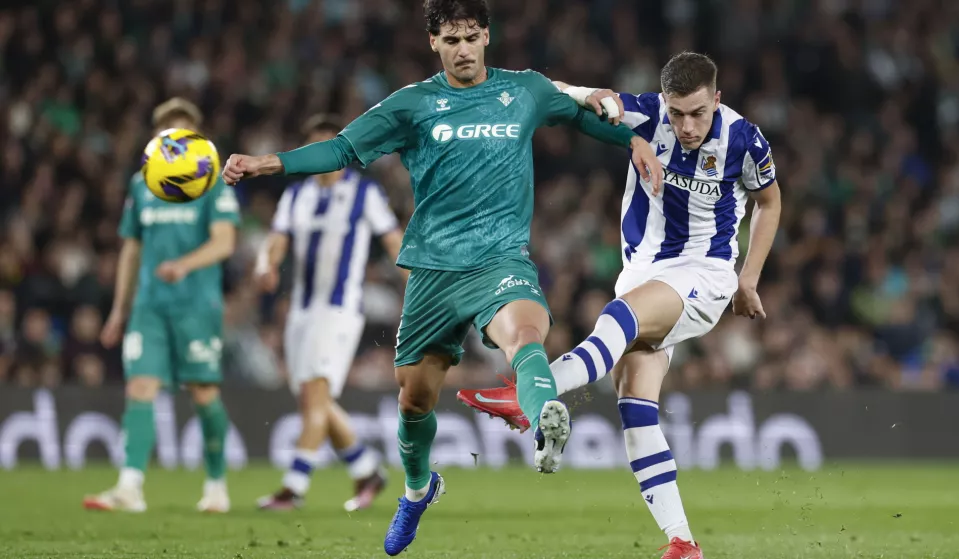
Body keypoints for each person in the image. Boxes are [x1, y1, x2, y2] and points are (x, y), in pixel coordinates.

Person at [221, 0, 662, 553]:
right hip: (432, 271)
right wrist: (269, 164)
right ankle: (417, 488)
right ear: (434, 42)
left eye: (472, 37)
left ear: (487, 37)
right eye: (452, 40)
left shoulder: (523, 89)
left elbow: (577, 114)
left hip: (500, 260)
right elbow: (341, 149)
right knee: (414, 403)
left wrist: (635, 141)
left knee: (524, 334)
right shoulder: (412, 104)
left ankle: (545, 412)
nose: (463, 50)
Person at [457, 52, 783, 559]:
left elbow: (770, 201)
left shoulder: (744, 139)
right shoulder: (646, 116)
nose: (687, 125)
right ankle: (682, 541)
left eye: (698, 112)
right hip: (642, 273)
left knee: (616, 319)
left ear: (716, 100)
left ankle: (530, 397)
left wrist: (749, 279)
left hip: (705, 273)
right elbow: (560, 87)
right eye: (677, 113)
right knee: (635, 407)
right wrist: (572, 93)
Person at [83, 97, 241, 513]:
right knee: (140, 387)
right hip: (149, 306)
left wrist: (183, 265)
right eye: (165, 134)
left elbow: (225, 242)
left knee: (204, 393)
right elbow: (130, 250)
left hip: (196, 305)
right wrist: (119, 309)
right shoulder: (141, 184)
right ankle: (129, 487)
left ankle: (216, 485)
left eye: (182, 133)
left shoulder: (214, 182)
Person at [254, 114, 407, 511]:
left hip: (339, 312)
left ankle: (294, 486)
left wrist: (417, 279)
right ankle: (366, 468)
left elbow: (393, 240)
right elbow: (277, 239)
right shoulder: (296, 195)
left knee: (316, 392)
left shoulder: (364, 194)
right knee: (312, 400)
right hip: (301, 311)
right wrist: (267, 265)